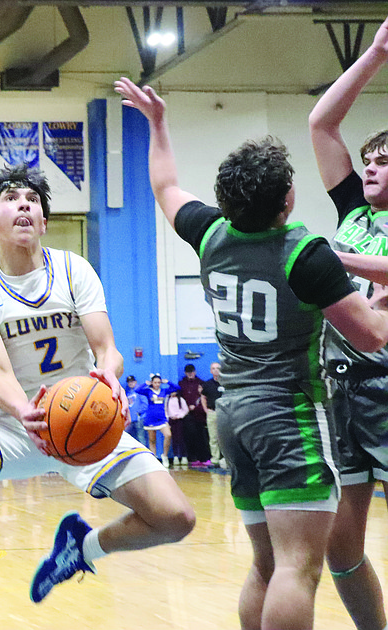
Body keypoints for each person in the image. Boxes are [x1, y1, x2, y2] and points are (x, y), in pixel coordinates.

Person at [115, 75, 388, 630]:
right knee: (298, 566)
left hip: (234, 413)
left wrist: (159, 124)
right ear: (288, 198)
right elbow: (372, 337)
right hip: (288, 412)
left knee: (265, 566)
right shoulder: (304, 252)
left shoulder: (209, 232)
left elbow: (166, 186)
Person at [0, 163, 195, 623]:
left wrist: (109, 377)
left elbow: (107, 349)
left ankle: (82, 549)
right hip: (21, 428)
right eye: (12, 199)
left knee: (177, 519)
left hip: (87, 424)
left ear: (44, 221)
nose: (25, 205)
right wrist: (24, 413)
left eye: (33, 200)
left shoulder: (74, 270)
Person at [309, 15, 388, 630]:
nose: (372, 168)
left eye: (384, 160)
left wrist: (335, 260)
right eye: (369, 159)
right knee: (341, 546)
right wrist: (377, 54)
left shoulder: (352, 242)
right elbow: (321, 123)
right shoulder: (353, 211)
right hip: (341, 387)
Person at [135, 373, 178, 467]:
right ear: (152, 383)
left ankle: (165, 456)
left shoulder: (164, 391)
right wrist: (146, 384)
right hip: (151, 418)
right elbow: (137, 390)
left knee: (168, 435)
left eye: (159, 382)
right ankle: (153, 459)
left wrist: (168, 382)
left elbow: (177, 388)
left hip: (162, 418)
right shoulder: (148, 391)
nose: (157, 384)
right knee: (152, 440)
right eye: (155, 382)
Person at [178, 364, 211, 467]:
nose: (190, 374)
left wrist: (196, 408)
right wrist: (186, 408)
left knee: (202, 437)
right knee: (189, 437)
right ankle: (192, 458)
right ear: (185, 373)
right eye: (188, 372)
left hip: (200, 415)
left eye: (191, 372)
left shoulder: (201, 383)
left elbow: (205, 399)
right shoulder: (181, 384)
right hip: (187, 415)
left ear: (195, 372)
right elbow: (179, 398)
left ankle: (204, 457)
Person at [201, 362, 225, 468]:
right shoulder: (207, 384)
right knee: (213, 437)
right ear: (211, 371)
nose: (216, 370)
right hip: (212, 413)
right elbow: (203, 397)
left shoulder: (227, 383)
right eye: (213, 368)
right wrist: (206, 409)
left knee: (225, 437)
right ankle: (215, 459)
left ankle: (225, 459)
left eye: (218, 368)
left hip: (225, 414)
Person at [166, 389, 189, 467]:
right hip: (171, 421)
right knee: (174, 439)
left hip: (179, 421)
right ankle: (176, 456)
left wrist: (179, 416)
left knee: (181, 438)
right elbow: (166, 410)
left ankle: (184, 456)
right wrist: (168, 418)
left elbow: (185, 410)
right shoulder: (168, 399)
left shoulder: (180, 399)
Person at [124, 375, 147, 446]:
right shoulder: (128, 393)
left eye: (132, 381)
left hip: (139, 419)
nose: (130, 383)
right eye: (129, 382)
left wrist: (139, 412)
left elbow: (145, 404)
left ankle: (143, 454)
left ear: (135, 382)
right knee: (128, 438)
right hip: (130, 419)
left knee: (141, 438)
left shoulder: (140, 391)